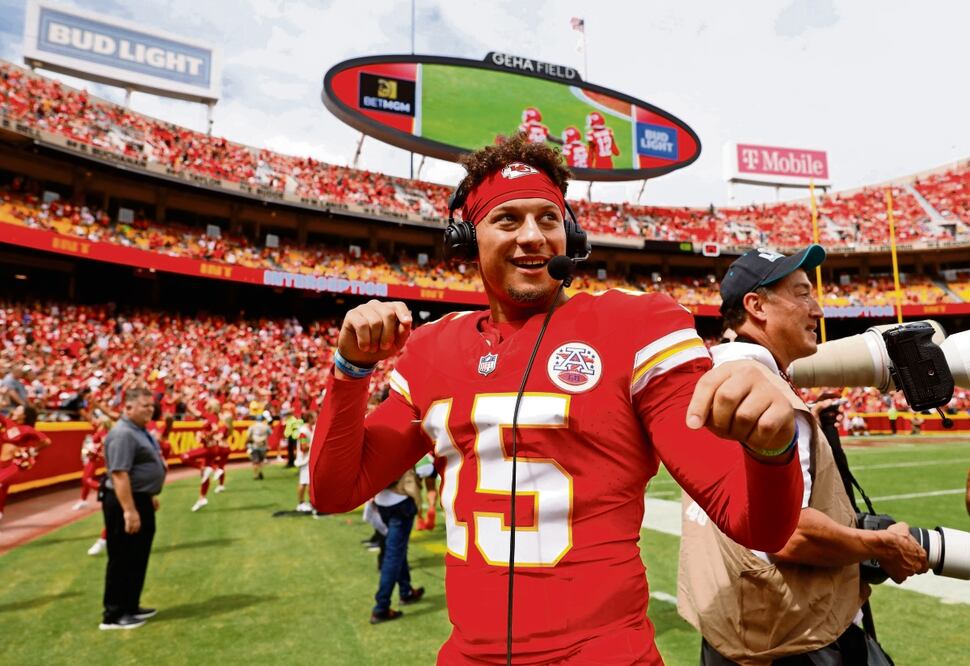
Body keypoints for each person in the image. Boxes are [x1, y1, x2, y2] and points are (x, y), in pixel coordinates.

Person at [310, 136, 804, 664]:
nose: (533, 236)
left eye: (548, 218)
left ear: (569, 232)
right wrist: (351, 371)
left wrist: (771, 449)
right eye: (507, 219)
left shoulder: (635, 325)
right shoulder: (435, 349)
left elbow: (759, 525)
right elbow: (334, 491)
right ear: (466, 238)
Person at [678, 245, 929, 664]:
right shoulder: (767, 396)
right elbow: (788, 533)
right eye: (801, 294)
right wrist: (881, 545)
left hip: (728, 630)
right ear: (757, 306)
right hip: (793, 640)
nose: (818, 310)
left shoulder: (713, 374)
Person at [100, 387, 167, 630]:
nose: (150, 409)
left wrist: (147, 496)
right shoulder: (123, 434)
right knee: (122, 557)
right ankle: (114, 614)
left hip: (140, 498)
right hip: (124, 502)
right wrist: (129, 509)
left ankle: (130, 606)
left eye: (151, 406)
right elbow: (119, 473)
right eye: (144, 406)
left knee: (137, 556)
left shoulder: (138, 431)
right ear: (127, 407)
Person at [370, 467, 425, 623]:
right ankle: (381, 607)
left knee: (398, 549)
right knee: (393, 555)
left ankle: (406, 590)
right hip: (400, 500)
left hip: (382, 501)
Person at [0, 405, 51, 522]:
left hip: (13, 464)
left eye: (18, 409)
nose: (15, 410)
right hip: (1, 463)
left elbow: (46, 441)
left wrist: (32, 451)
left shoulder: (27, 429)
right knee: (2, 489)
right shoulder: (8, 423)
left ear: (24, 415)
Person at [295, 412, 315, 512]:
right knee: (304, 482)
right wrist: (314, 445)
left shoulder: (311, 429)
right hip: (304, 460)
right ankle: (302, 503)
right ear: (310, 418)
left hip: (309, 459)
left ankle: (307, 502)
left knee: (307, 482)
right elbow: (303, 447)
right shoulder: (303, 431)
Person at [246, 412, 272, 480]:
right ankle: (260, 471)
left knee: (255, 461)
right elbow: (270, 433)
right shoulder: (266, 426)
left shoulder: (252, 426)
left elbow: (248, 436)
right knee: (261, 460)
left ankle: (256, 474)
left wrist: (248, 442)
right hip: (263, 445)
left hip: (255, 445)